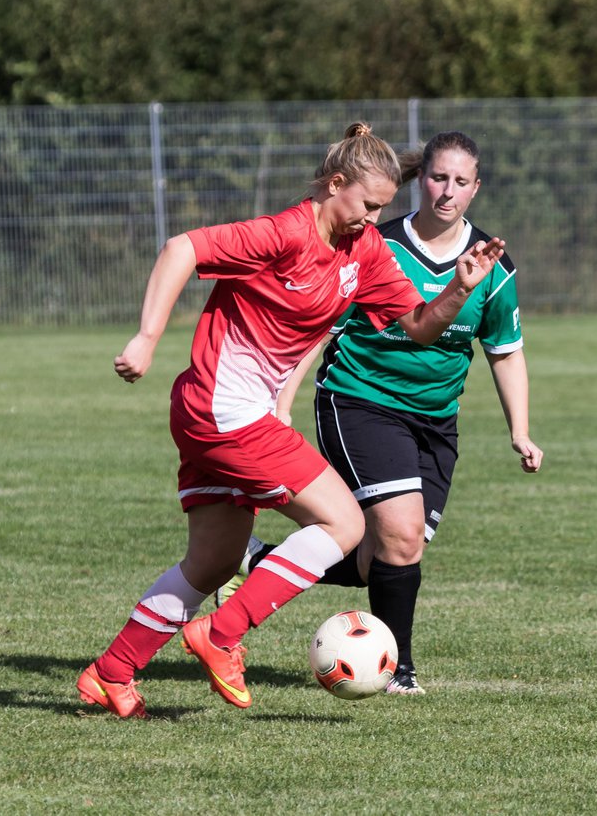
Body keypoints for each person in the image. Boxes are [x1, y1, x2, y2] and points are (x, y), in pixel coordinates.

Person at [76, 123, 505, 717]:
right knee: (346, 525)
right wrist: (148, 338)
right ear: (335, 184)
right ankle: (221, 636)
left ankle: (111, 673)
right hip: (224, 411)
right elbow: (182, 248)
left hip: (222, 412)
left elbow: (421, 326)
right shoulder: (285, 232)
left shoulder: (366, 252)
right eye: (366, 205)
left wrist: (459, 290)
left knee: (214, 561)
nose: (372, 218)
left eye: (382, 208)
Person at [249, 131, 542, 695]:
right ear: (420, 178)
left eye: (461, 182)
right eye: (437, 177)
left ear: (476, 189)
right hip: (359, 400)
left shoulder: (492, 265)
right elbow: (317, 330)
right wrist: (282, 401)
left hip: (434, 421)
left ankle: (257, 560)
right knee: (401, 533)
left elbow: (504, 350)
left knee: (383, 555)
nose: (447, 192)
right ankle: (397, 671)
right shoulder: (372, 245)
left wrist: (520, 431)